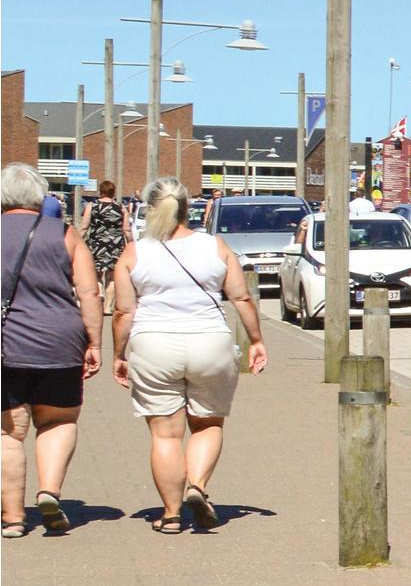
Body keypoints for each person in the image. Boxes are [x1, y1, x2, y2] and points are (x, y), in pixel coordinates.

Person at [110, 177, 267, 534]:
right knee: (207, 424)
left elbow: (123, 312)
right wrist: (257, 340)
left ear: (150, 208)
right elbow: (241, 297)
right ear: (187, 208)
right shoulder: (215, 246)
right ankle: (196, 485)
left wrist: (118, 354)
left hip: (154, 345)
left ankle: (170, 514)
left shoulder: (135, 252)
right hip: (210, 342)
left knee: (165, 435)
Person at [1, 164, 103, 537]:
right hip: (60, 341)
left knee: (8, 433)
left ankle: (13, 518)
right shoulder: (65, 234)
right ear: (40, 195)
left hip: (6, 345)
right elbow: (89, 292)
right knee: (57, 422)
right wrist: (94, 342)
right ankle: (49, 491)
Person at [83, 179, 130, 296]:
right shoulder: (121, 208)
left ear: (100, 191)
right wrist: (131, 243)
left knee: (96, 274)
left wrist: (79, 240)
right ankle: (108, 305)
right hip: (115, 246)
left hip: (96, 244)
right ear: (113, 192)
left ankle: (100, 296)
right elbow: (127, 229)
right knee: (111, 277)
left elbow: (84, 227)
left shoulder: (92, 206)